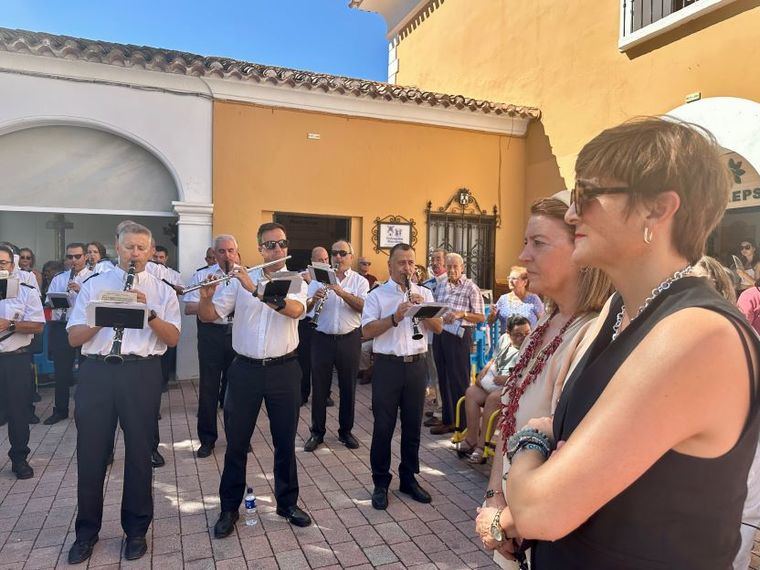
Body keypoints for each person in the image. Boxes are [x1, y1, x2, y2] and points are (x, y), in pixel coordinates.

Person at [478, 117, 759, 570]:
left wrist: (530, 440)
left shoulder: (696, 334)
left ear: (657, 209)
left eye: (587, 197)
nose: (572, 214)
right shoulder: (619, 311)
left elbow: (540, 511)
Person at [66, 222, 180, 564]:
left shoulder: (163, 290)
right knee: (91, 455)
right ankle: (86, 532)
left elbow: (172, 338)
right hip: (97, 372)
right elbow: (73, 338)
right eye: (129, 247)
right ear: (118, 248)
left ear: (150, 250)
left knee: (139, 455)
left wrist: (148, 311)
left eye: (141, 248)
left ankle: (136, 531)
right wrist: (106, 313)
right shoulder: (94, 284)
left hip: (140, 372)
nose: (135, 254)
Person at [199, 222, 312, 538]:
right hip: (245, 370)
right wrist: (208, 297)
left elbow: (294, 311)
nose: (276, 249)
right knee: (236, 443)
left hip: (284, 370)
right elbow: (210, 316)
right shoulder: (238, 281)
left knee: (285, 441)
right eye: (269, 245)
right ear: (259, 248)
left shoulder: (295, 280)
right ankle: (229, 508)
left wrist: (254, 288)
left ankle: (287, 504)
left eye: (281, 243)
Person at [362, 243, 443, 510]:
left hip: (417, 366)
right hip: (388, 367)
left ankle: (409, 479)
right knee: (383, 428)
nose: (407, 268)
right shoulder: (377, 295)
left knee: (412, 427)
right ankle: (380, 483)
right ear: (390, 266)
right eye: (401, 263)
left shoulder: (424, 292)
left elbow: (439, 328)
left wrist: (424, 311)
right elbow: (368, 331)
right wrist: (395, 317)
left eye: (410, 262)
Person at [304, 240, 369, 452]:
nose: (338, 257)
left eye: (343, 253)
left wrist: (341, 292)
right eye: (335, 253)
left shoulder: (360, 281)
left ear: (351, 256)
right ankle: (317, 432)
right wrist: (314, 299)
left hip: (349, 339)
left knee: (348, 387)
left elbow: (363, 307)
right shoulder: (317, 278)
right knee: (320, 387)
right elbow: (305, 309)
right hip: (322, 338)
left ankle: (345, 431)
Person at [184, 235, 241, 457]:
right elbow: (189, 308)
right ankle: (207, 440)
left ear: (236, 252)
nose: (226, 255)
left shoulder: (246, 275)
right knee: (209, 387)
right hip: (211, 334)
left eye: (230, 251)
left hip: (237, 334)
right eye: (221, 251)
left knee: (236, 390)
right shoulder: (201, 275)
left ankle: (237, 438)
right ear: (214, 253)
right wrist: (210, 302)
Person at [460, 315, 531, 465]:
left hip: (515, 387)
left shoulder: (532, 346)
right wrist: (483, 371)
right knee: (471, 392)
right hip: (494, 381)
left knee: (493, 398)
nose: (523, 337)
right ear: (508, 334)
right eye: (518, 335)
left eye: (527, 333)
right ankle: (471, 438)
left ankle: (481, 446)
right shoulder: (504, 339)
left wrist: (508, 379)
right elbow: (494, 358)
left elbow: (528, 374)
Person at [0, 244, 45, 479]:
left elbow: (38, 325)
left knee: (18, 412)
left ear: (12, 264)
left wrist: (10, 325)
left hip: (15, 359)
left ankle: (19, 458)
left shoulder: (26, 289)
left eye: (3, 263)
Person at [429, 252, 485, 435]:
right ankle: (448, 420)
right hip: (440, 333)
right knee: (443, 378)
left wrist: (462, 314)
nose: (452, 269)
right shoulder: (441, 285)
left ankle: (464, 425)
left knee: (459, 379)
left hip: (459, 336)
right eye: (450, 266)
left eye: (455, 266)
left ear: (462, 268)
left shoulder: (471, 287)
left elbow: (480, 316)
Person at [43, 242, 94, 425]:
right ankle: (61, 410)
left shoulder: (93, 277)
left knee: (86, 371)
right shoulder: (59, 277)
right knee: (61, 371)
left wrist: (80, 291)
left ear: (85, 257)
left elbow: (97, 303)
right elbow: (49, 300)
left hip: (83, 326)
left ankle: (85, 410)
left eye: (77, 256)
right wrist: (58, 300)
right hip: (61, 325)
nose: (73, 260)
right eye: (70, 257)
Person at [298, 246, 328, 405]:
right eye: (320, 260)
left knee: (321, 363)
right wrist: (310, 282)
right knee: (304, 360)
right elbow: (302, 302)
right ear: (312, 262)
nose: (324, 262)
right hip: (306, 323)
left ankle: (325, 394)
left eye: (325, 259)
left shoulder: (330, 276)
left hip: (323, 325)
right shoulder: (303, 276)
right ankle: (303, 394)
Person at [489, 266, 544, 331]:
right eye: (509, 278)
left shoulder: (533, 299)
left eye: (514, 278)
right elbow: (490, 321)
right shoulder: (503, 299)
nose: (510, 281)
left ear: (525, 282)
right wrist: (493, 314)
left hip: (528, 339)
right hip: (508, 339)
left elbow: (543, 322)